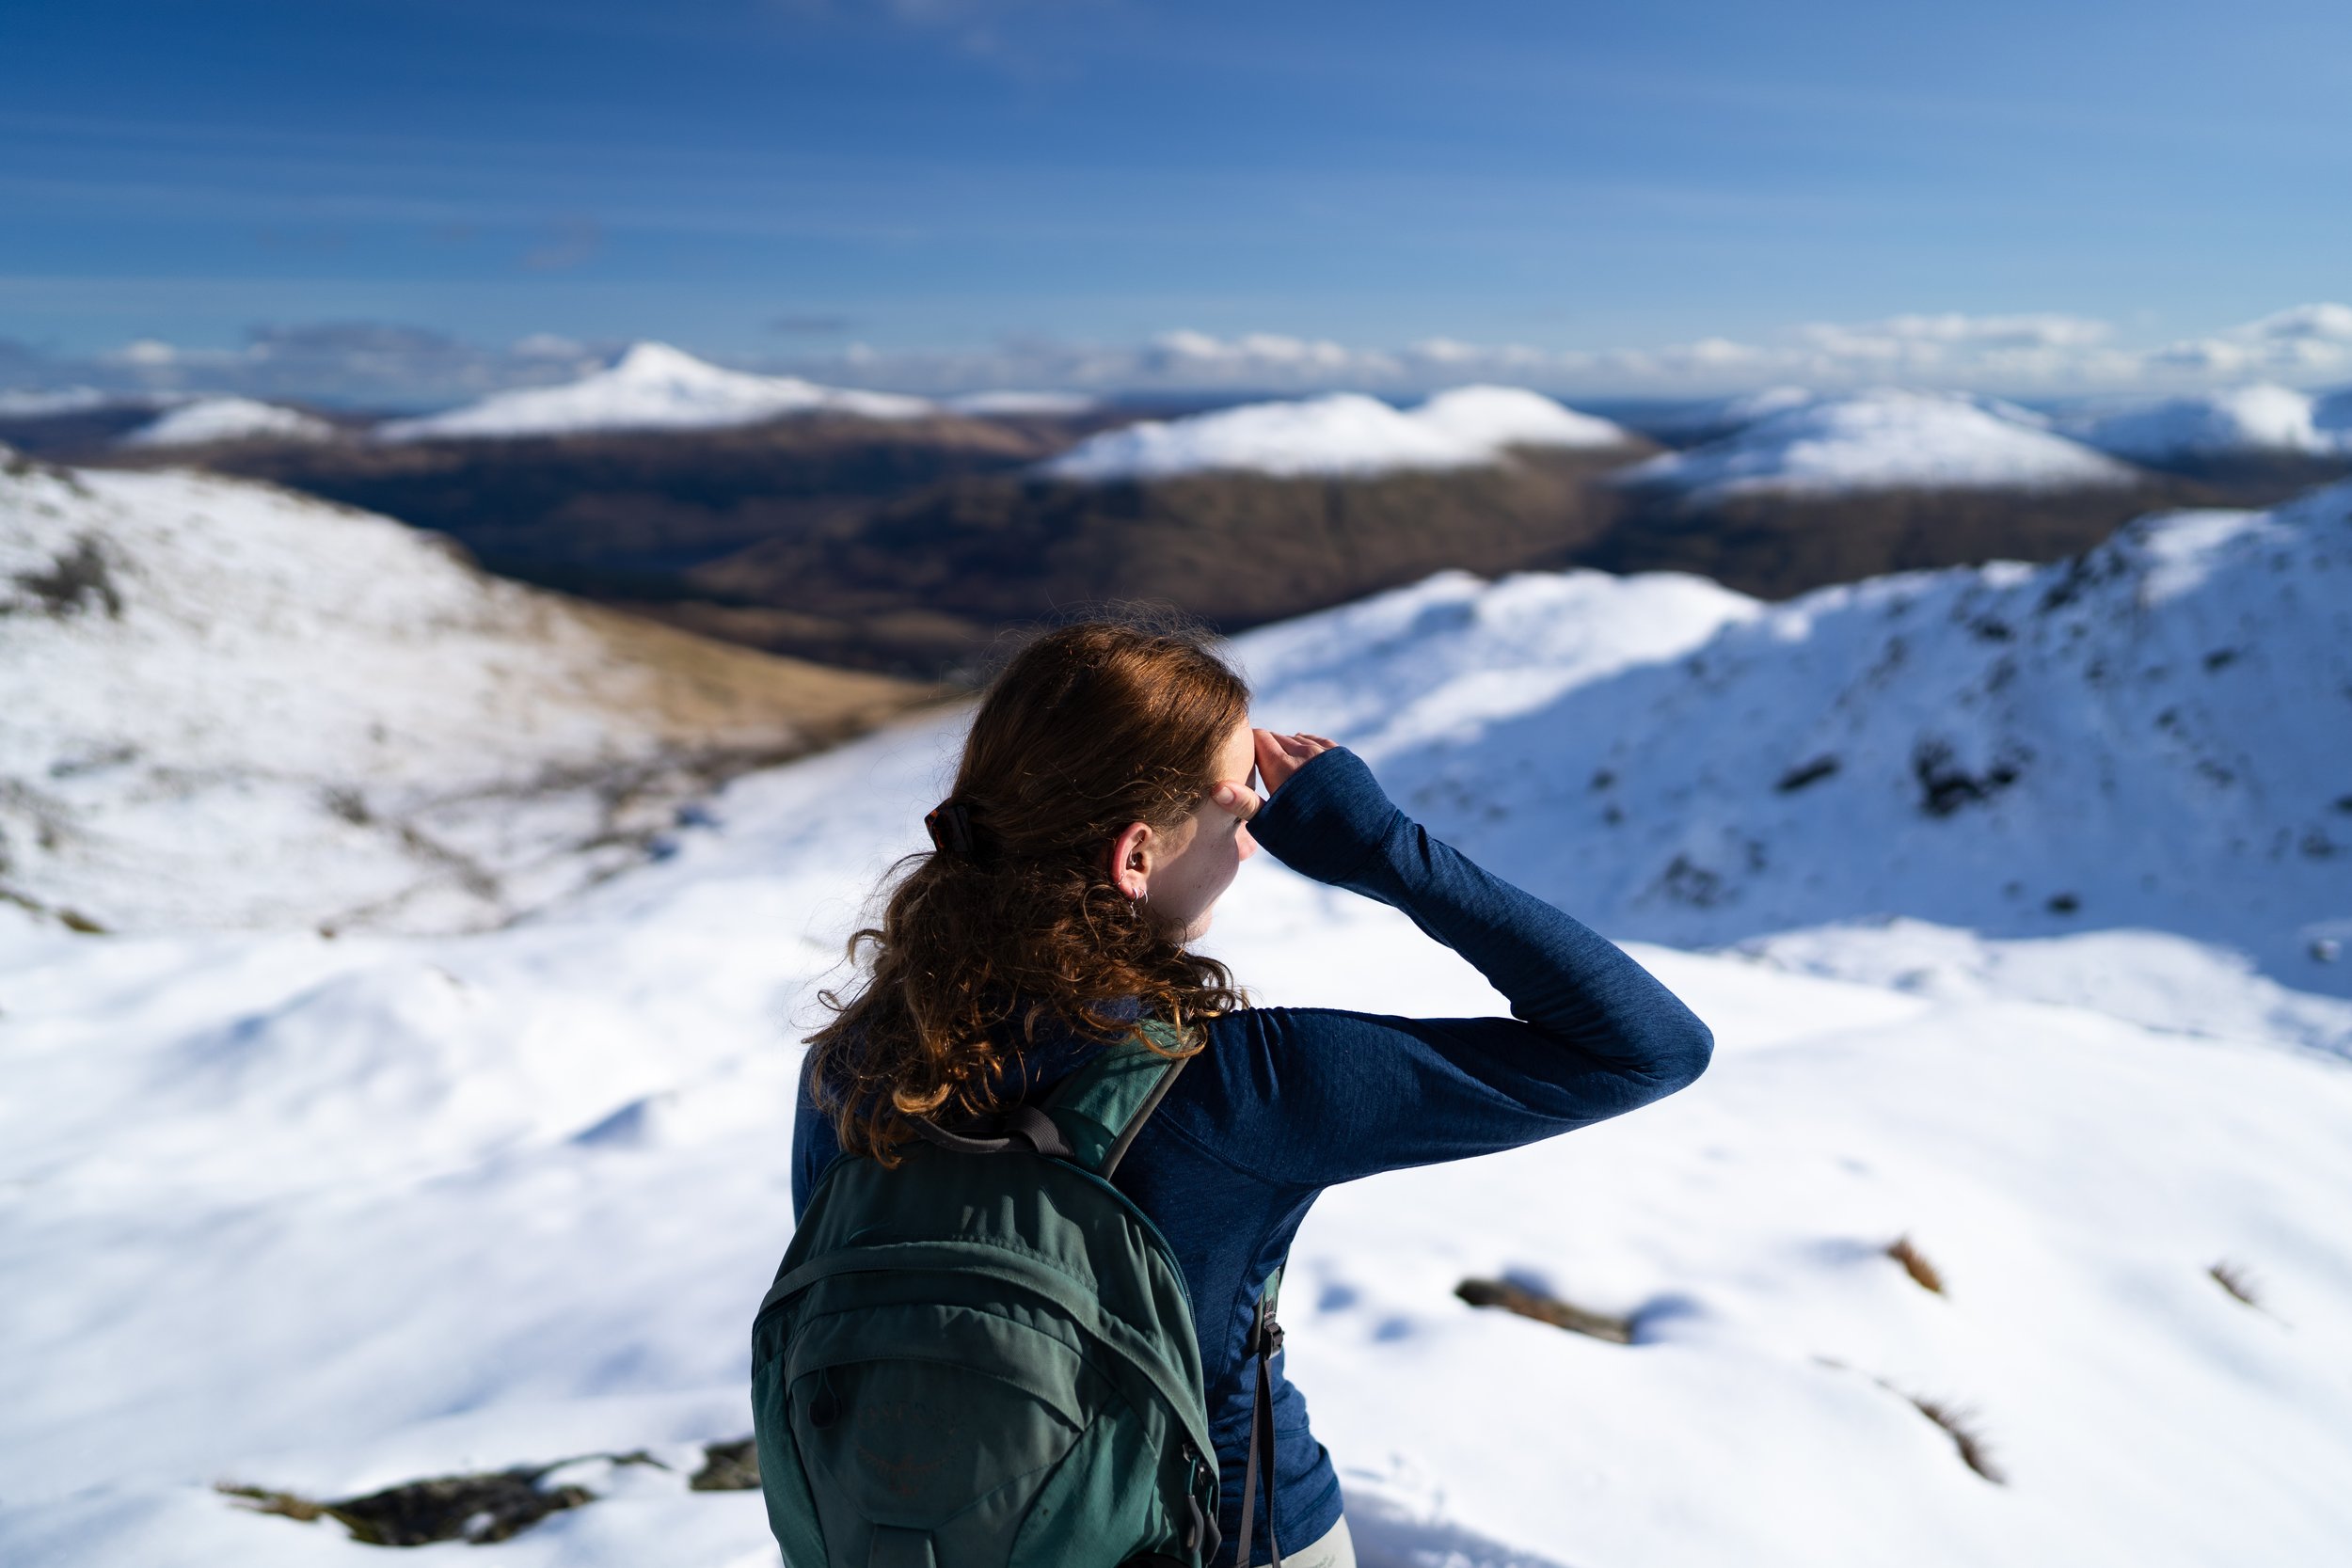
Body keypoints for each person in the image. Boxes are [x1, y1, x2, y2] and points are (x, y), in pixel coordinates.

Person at [794, 619, 1713, 1568]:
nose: (1252, 840)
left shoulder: (858, 1060)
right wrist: (1383, 846)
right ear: (1135, 857)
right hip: (1222, 1536)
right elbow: (1646, 1046)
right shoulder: (1238, 1084)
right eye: (1239, 809)